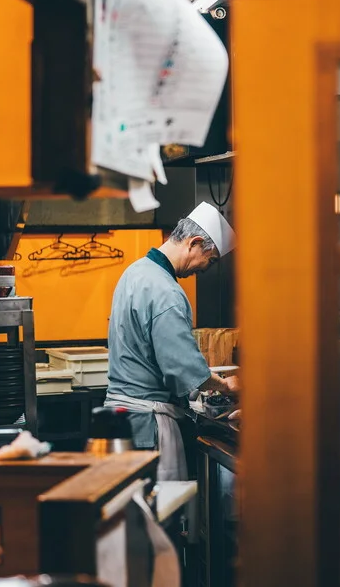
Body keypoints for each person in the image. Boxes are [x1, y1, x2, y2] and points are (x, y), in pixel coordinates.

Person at [105, 202, 240, 481]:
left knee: (129, 512)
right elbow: (182, 368)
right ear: (195, 243)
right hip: (147, 425)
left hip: (122, 419)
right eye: (210, 261)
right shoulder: (166, 291)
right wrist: (224, 384)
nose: (204, 270)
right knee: (157, 511)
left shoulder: (135, 272)